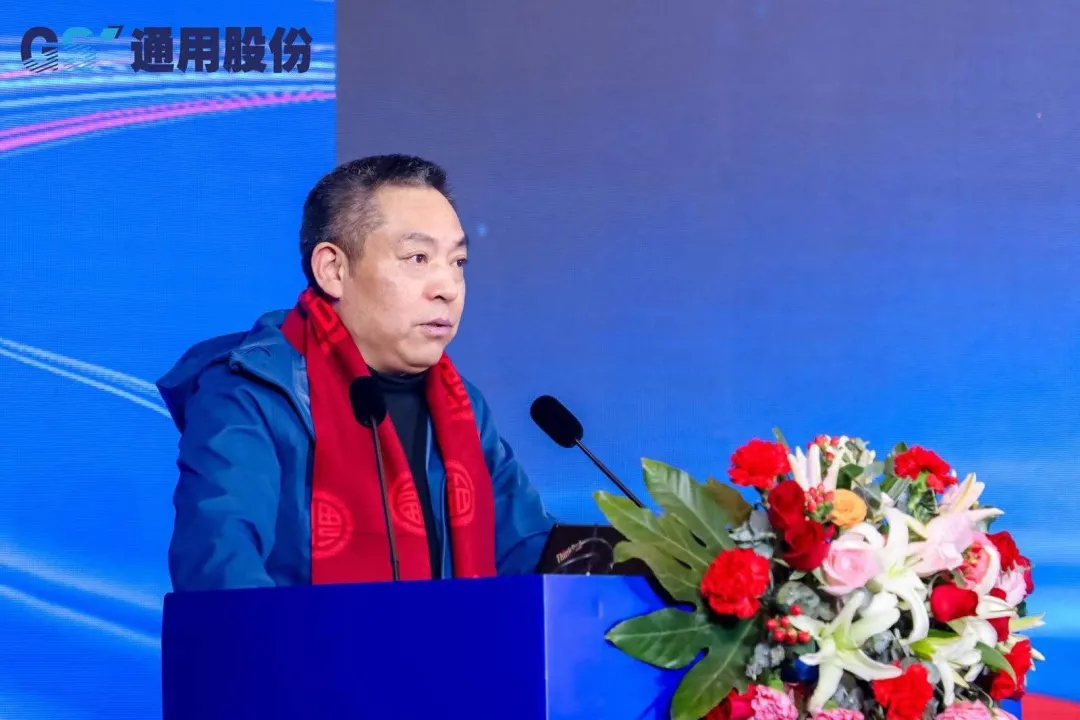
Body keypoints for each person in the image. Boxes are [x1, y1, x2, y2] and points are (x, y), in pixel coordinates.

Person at [157, 154, 556, 591]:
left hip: (453, 640)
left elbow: (527, 549)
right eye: (418, 258)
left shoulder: (460, 406)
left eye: (457, 262)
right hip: (308, 639)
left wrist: (609, 559)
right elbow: (219, 575)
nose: (447, 288)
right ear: (333, 270)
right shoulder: (251, 393)